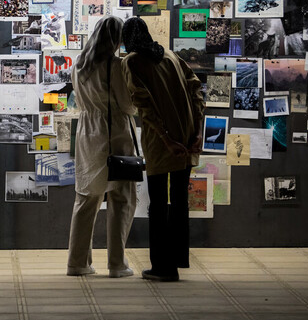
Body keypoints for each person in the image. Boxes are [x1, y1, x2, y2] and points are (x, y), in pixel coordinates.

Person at [121, 17, 205, 282]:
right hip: (188, 136)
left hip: (161, 142)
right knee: (180, 201)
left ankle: (162, 267)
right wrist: (199, 132)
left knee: (157, 204)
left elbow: (144, 107)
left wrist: (167, 140)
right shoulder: (169, 54)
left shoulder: (132, 61)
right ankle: (178, 260)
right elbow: (196, 91)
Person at [67, 16, 137, 278]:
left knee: (86, 198)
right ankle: (117, 264)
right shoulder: (115, 66)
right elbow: (127, 105)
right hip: (115, 134)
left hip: (87, 133)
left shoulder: (79, 66)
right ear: (116, 39)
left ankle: (77, 263)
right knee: (122, 198)